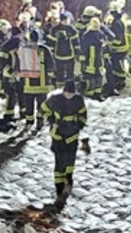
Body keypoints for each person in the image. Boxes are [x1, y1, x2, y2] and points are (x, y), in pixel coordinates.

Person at [40, 80, 87, 210]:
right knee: (59, 160)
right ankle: (59, 186)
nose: (69, 95)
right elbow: (43, 109)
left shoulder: (78, 100)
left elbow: (83, 114)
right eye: (67, 93)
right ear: (64, 91)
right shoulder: (55, 99)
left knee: (70, 158)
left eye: (71, 93)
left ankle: (68, 178)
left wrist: (79, 126)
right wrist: (51, 120)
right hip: (58, 135)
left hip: (72, 134)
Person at [19, 30, 55, 128]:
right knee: (42, 104)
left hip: (28, 82)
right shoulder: (44, 49)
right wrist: (50, 77)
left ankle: (29, 121)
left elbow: (18, 64)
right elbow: (50, 64)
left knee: (29, 103)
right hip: (42, 83)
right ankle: (40, 121)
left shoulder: (23, 49)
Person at [105, 0, 130, 97]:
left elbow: (118, 39)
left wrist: (109, 42)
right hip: (121, 46)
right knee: (117, 65)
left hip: (119, 48)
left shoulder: (117, 23)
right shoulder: (120, 20)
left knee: (118, 66)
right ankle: (118, 80)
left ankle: (120, 82)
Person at [80, 17, 110, 100]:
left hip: (98, 60)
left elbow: (104, 47)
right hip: (90, 61)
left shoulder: (99, 34)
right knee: (91, 78)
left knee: (99, 77)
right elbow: (83, 49)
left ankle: (97, 94)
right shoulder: (87, 35)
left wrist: (106, 57)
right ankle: (91, 94)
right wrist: (83, 62)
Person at [0, 26, 24, 121]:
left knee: (11, 95)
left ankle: (10, 114)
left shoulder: (5, 46)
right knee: (21, 94)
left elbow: (2, 61)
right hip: (20, 74)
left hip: (9, 74)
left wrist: (10, 72)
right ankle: (23, 113)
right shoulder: (23, 44)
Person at [47, 14, 80, 87]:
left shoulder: (71, 29)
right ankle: (60, 87)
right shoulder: (54, 29)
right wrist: (51, 53)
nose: (67, 21)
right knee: (59, 72)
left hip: (70, 55)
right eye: (66, 19)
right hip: (58, 55)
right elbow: (51, 43)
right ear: (62, 20)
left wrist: (77, 52)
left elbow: (76, 42)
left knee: (70, 73)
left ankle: (70, 87)